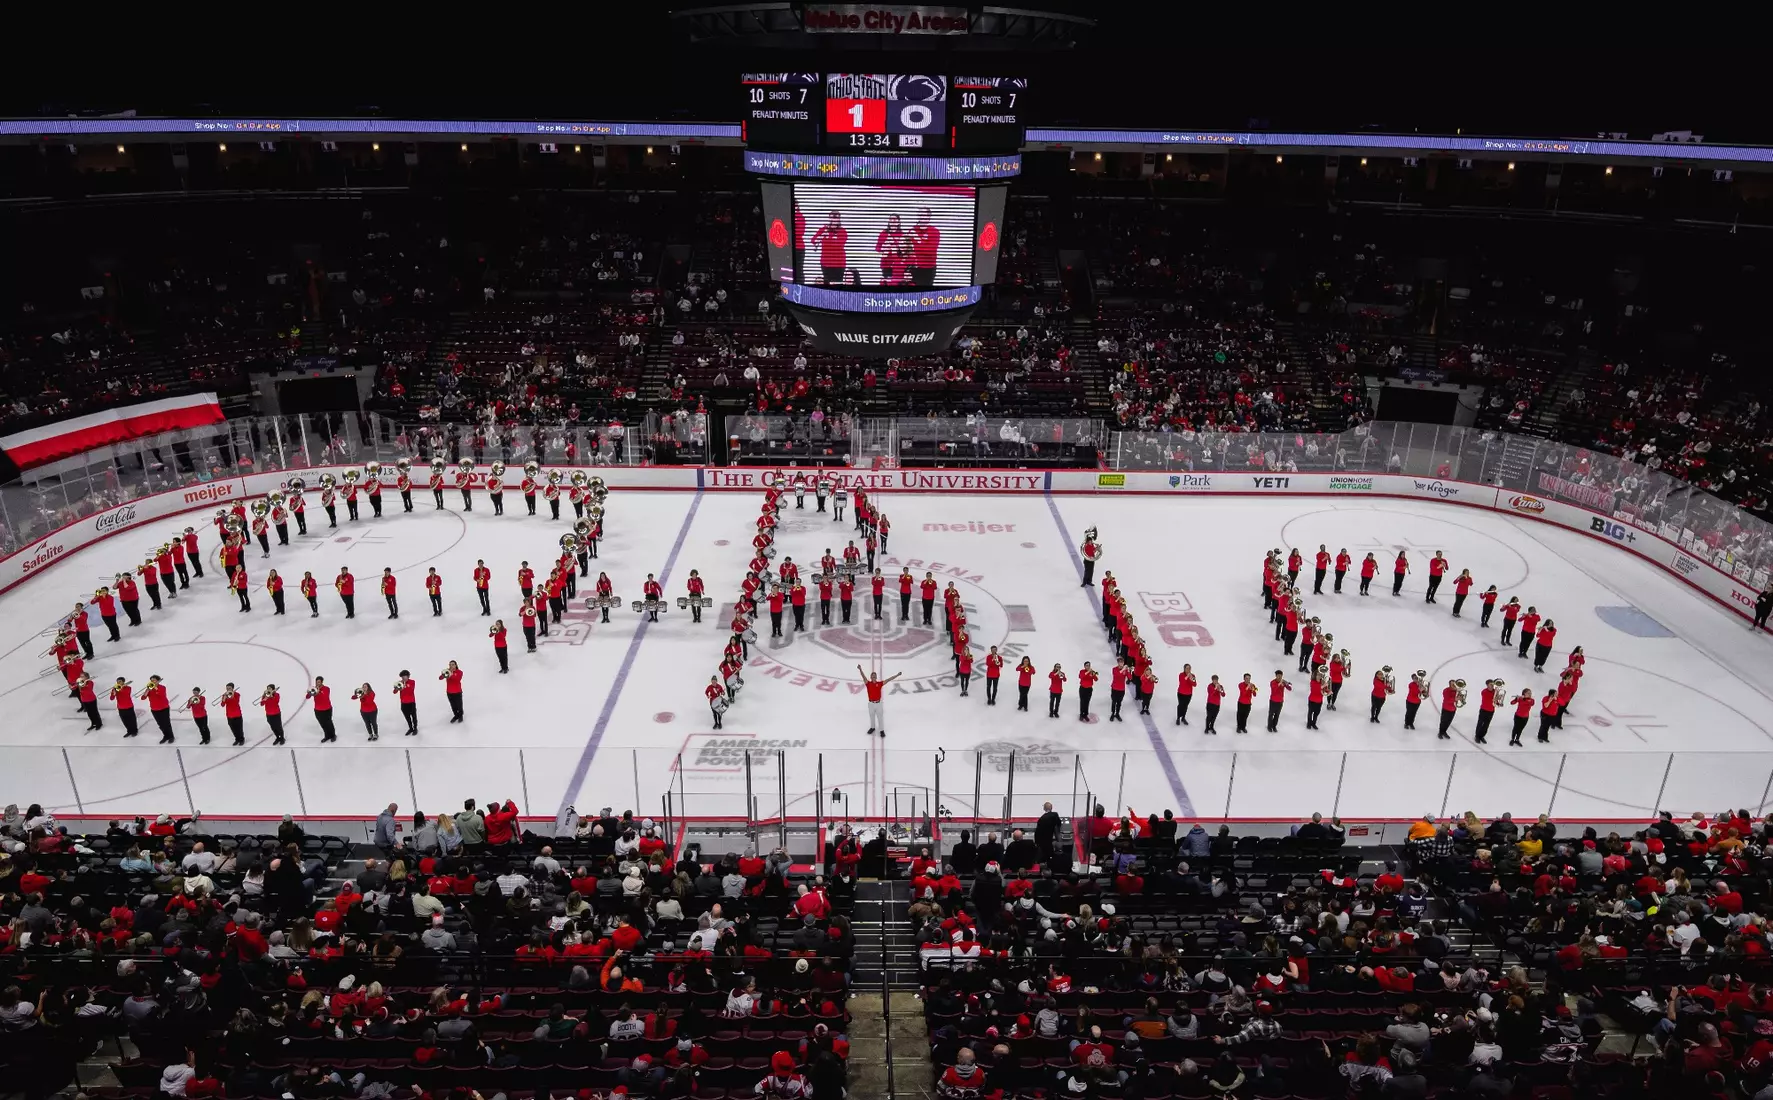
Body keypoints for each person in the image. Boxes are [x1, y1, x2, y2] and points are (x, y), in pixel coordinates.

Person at [858, 665, 903, 738]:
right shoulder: (868, 684)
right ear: (871, 677)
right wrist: (860, 669)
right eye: (872, 675)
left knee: (880, 717)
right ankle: (872, 728)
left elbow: (888, 679)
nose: (873, 676)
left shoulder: (879, 684)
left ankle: (881, 730)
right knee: (871, 716)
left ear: (876, 677)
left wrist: (897, 675)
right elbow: (863, 677)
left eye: (874, 675)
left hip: (878, 704)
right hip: (871, 704)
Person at [308, 676, 337, 743]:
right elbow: (307, 697)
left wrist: (319, 692)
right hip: (318, 710)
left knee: (329, 723)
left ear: (322, 682)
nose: (317, 683)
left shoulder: (326, 688)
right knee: (322, 724)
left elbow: (325, 696)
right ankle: (327, 736)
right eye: (316, 682)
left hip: (327, 709)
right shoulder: (314, 689)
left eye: (319, 682)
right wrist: (310, 693)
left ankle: (333, 735)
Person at [395, 671, 419, 735]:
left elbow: (411, 689)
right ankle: (410, 728)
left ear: (408, 676)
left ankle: (415, 728)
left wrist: (404, 686)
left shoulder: (412, 682)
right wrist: (396, 688)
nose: (403, 677)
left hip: (411, 702)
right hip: (403, 703)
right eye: (402, 676)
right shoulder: (399, 683)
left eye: (404, 676)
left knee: (414, 716)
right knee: (407, 717)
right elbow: (394, 692)